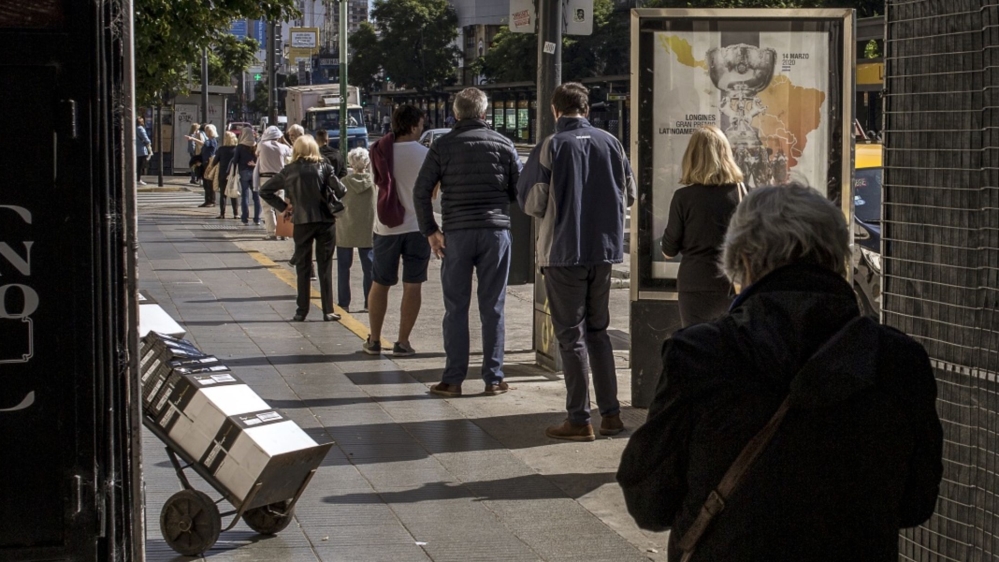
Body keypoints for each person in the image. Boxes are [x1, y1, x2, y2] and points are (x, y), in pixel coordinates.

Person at [617, 185, 943, 562]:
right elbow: (917, 503)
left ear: (743, 261)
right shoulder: (898, 360)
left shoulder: (700, 356)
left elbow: (648, 502)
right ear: (837, 257)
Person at [517, 82, 635, 441]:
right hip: (604, 252)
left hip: (563, 252)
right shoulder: (611, 143)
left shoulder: (551, 146)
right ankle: (611, 416)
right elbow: (629, 194)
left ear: (556, 111)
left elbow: (532, 202)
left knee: (571, 337)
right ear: (586, 109)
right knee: (599, 333)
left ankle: (579, 419)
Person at [414, 87, 521, 397]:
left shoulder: (443, 145)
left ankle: (453, 380)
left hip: (457, 233)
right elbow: (518, 190)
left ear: (456, 114)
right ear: (484, 114)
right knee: (493, 307)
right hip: (495, 232)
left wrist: (431, 231)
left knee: (456, 308)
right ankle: (494, 378)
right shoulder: (504, 144)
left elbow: (421, 190)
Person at [362, 105, 430, 356]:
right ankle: (402, 342)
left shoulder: (378, 151)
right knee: (413, 284)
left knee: (380, 283)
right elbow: (434, 191)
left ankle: (374, 340)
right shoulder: (426, 155)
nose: (422, 129)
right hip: (418, 228)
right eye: (420, 125)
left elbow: (375, 183)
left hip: (386, 228)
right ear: (412, 126)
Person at [661, 125, 745, 328]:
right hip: (732, 282)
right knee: (731, 342)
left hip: (694, 283)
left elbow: (669, 251)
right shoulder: (743, 192)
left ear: (692, 157)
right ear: (726, 155)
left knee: (696, 342)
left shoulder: (683, 198)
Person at [260, 135, 343, 323]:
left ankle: (301, 310)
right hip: (325, 221)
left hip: (301, 221)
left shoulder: (289, 170)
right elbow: (341, 190)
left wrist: (284, 207)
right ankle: (328, 310)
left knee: (303, 266)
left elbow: (265, 190)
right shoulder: (325, 167)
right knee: (325, 266)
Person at [336, 147, 376, 312]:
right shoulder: (373, 182)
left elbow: (337, 203)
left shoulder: (344, 182)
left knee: (343, 268)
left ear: (351, 163)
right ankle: (369, 303)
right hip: (367, 228)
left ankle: (344, 303)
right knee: (369, 268)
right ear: (367, 163)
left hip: (345, 228)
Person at [256, 125, 293, 240]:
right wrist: (284, 141)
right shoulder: (283, 147)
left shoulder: (262, 145)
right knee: (280, 205)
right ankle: (283, 233)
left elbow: (257, 154)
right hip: (279, 178)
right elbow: (292, 151)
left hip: (265, 178)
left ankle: (271, 232)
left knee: (267, 207)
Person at [233, 126, 260, 225]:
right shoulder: (256, 145)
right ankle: (257, 218)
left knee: (245, 195)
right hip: (255, 171)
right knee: (256, 196)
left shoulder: (240, 146)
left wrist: (233, 172)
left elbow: (235, 160)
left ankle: (245, 218)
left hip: (243, 171)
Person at [187, 124, 218, 207]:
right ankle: (208, 200)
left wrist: (193, 139)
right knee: (206, 183)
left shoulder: (212, 140)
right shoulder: (209, 140)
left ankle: (211, 201)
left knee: (209, 182)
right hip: (205, 162)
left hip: (209, 163)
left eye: (207, 130)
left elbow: (203, 144)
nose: (205, 132)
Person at [214, 131, 240, 219]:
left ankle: (222, 214)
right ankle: (236, 213)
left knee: (223, 194)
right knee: (233, 193)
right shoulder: (237, 149)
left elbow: (215, 161)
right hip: (234, 174)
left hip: (223, 173)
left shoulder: (221, 149)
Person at [136, 116, 152, 186]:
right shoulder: (140, 129)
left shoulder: (134, 128)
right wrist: (149, 142)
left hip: (136, 149)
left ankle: (137, 179)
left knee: (137, 165)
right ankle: (138, 179)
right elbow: (146, 138)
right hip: (141, 150)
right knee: (140, 166)